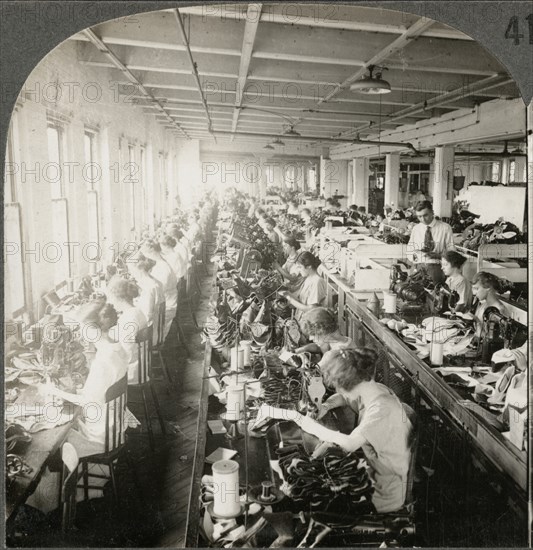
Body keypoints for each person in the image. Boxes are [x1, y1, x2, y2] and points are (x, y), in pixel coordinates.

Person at [255, 348, 413, 513]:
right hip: (372, 473)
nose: (338, 391)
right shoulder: (372, 389)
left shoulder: (381, 410)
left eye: (339, 387)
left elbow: (350, 443)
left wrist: (306, 422)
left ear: (349, 384)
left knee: (298, 496)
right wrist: (326, 406)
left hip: (380, 494)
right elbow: (345, 398)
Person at [39, 301, 129, 457]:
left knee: (49, 444)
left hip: (100, 437)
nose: (80, 332)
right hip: (116, 426)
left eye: (82, 327)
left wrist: (52, 390)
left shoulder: (102, 362)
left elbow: (86, 402)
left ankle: (70, 477)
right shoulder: (116, 348)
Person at [106, 276, 148, 384]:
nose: (110, 302)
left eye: (111, 298)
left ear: (119, 298)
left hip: (131, 373)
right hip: (142, 366)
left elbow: (127, 354)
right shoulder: (137, 311)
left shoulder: (128, 319)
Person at [407, 200, 454, 284]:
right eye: (419, 216)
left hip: (436, 268)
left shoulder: (445, 228)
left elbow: (452, 251)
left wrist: (439, 256)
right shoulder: (416, 229)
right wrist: (417, 256)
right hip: (417, 267)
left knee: (433, 295)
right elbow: (409, 250)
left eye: (425, 215)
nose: (423, 219)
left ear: (432, 212)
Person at [141, 240, 178, 340]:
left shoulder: (162, 268)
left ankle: (148, 349)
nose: (145, 260)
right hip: (167, 301)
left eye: (145, 256)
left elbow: (157, 292)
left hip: (167, 307)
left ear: (151, 252)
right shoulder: (160, 263)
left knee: (141, 321)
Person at [279, 251, 327, 323]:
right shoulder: (308, 278)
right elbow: (302, 301)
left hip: (311, 323)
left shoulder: (317, 281)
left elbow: (311, 309)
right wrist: (288, 294)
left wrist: (290, 299)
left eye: (300, 267)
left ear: (309, 266)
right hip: (302, 320)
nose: (298, 270)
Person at [129, 253, 165, 346]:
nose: (130, 273)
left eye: (130, 269)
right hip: (156, 329)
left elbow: (147, 316)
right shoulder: (156, 282)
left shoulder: (149, 288)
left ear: (138, 269)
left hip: (149, 336)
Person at [471, 271, 507, 337]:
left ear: (488, 288)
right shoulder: (483, 305)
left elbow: (491, 339)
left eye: (476, 288)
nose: (474, 293)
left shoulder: (499, 310)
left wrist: (476, 320)